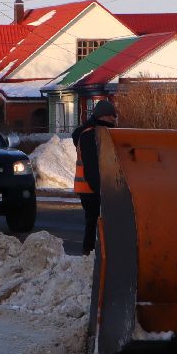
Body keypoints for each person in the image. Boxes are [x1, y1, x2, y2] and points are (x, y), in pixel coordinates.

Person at [71, 99, 118, 256]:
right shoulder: (90, 135)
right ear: (103, 116)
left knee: (96, 223)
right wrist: (101, 190)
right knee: (94, 223)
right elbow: (91, 167)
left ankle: (94, 254)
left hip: (92, 188)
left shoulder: (97, 132)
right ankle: (89, 255)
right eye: (112, 116)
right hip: (90, 188)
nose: (115, 119)